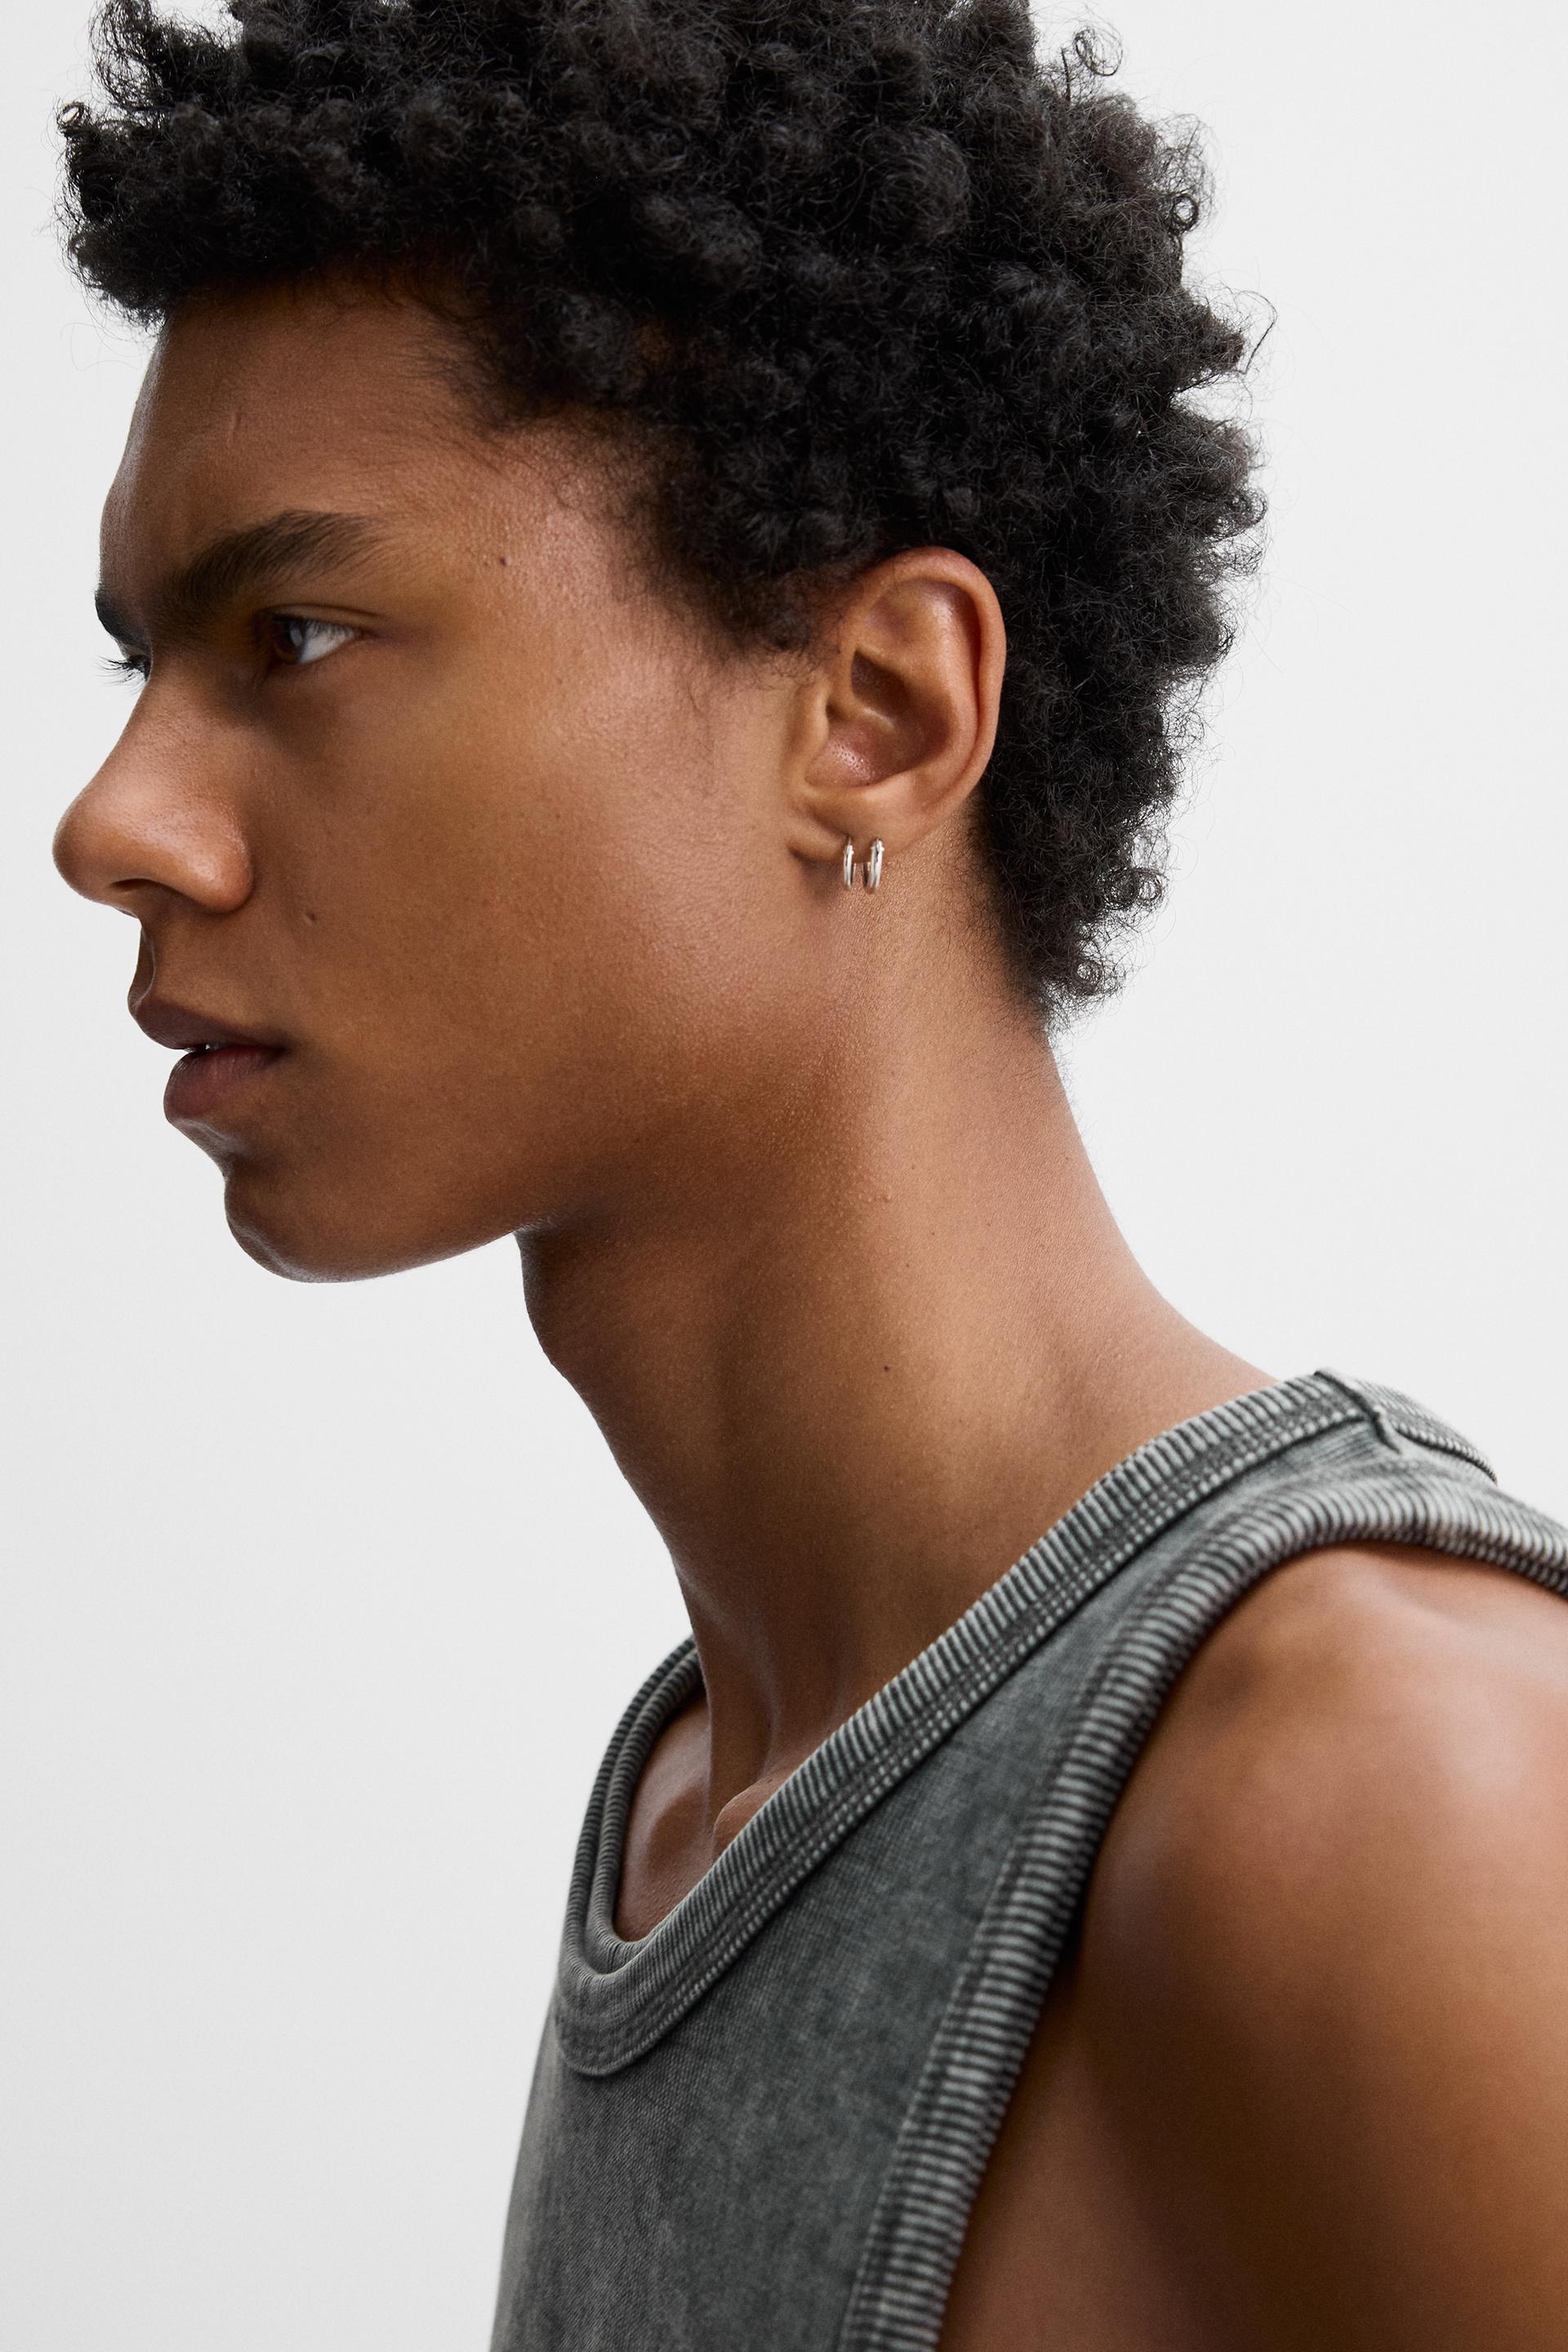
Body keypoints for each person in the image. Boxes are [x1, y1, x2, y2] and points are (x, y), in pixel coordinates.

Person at [50, 2, 1568, 2345]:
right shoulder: (700, 1802)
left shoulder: (1397, 1797)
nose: (115, 822)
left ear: (875, 713)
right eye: (144, 666)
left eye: (301, 635)